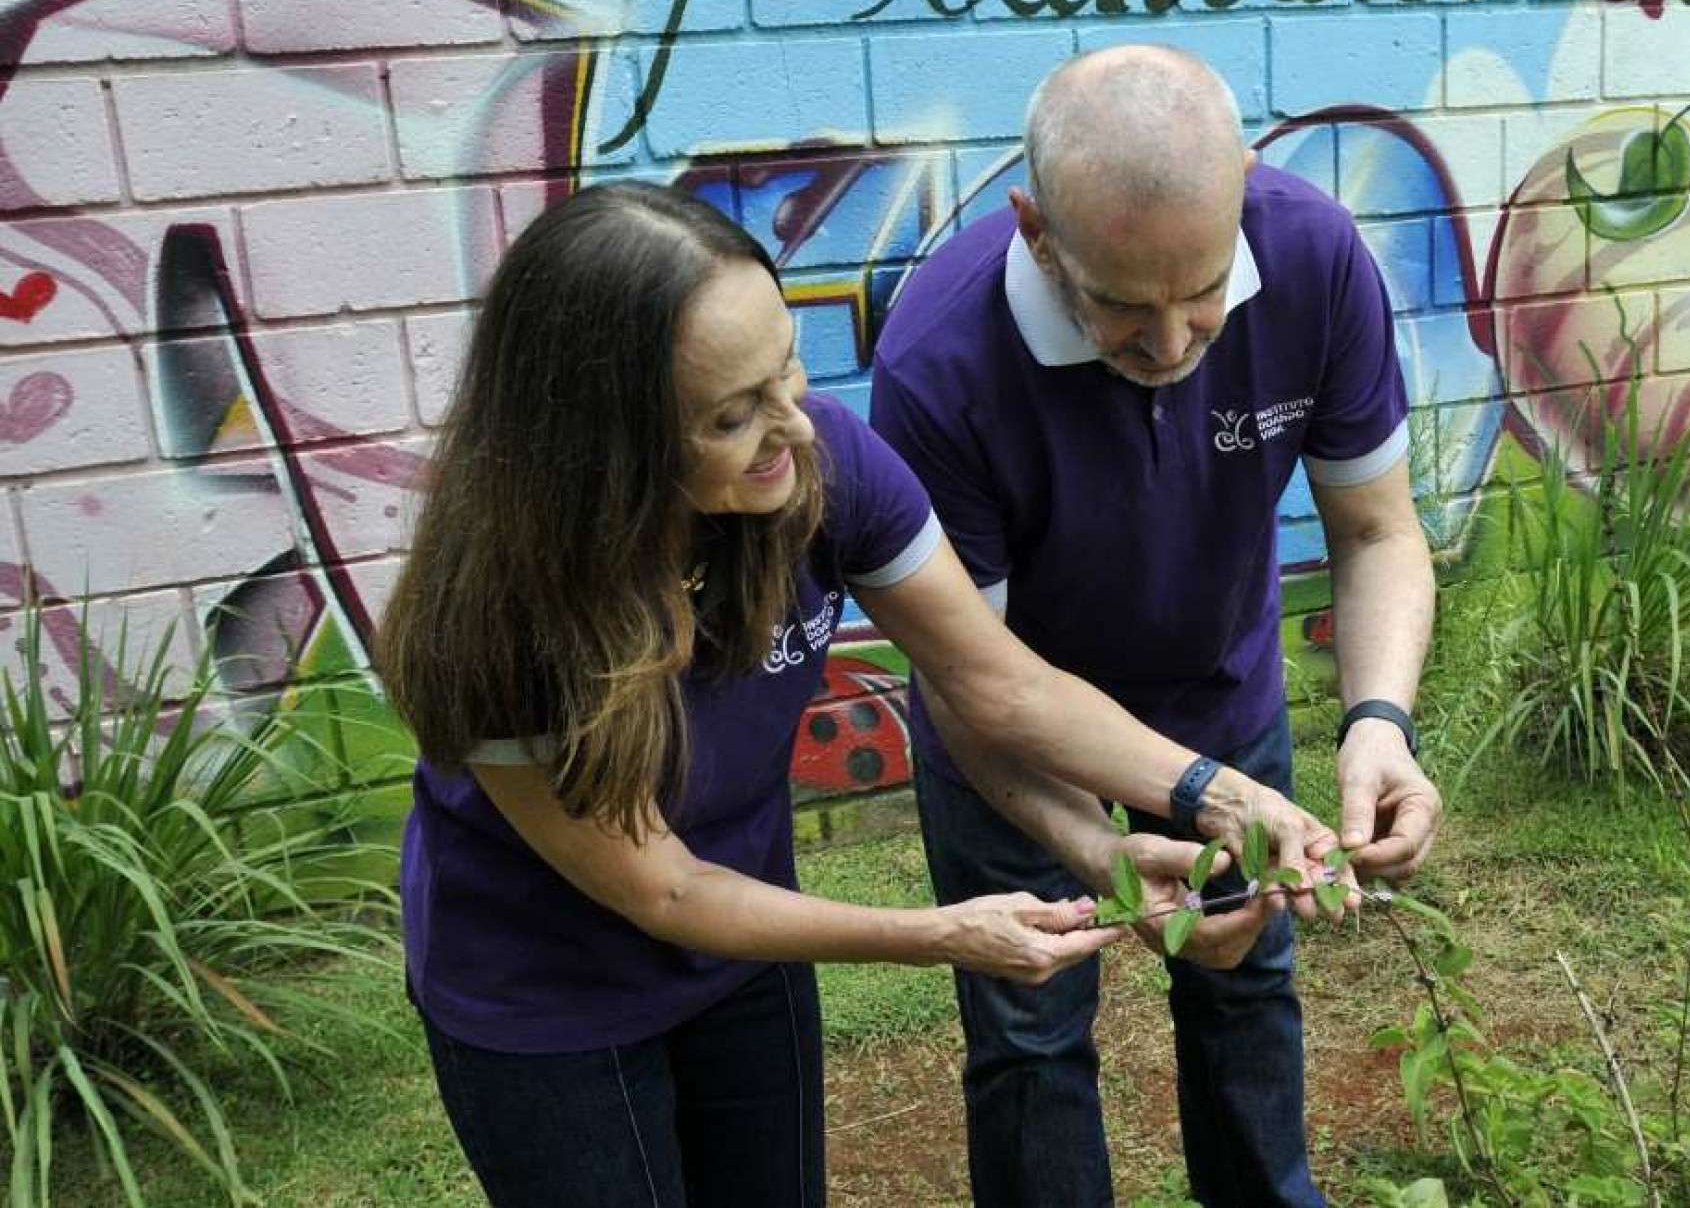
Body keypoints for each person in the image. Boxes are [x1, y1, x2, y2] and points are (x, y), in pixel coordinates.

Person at [378, 180, 1330, 1208]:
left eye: (783, 368)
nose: (788, 427)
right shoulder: (502, 617)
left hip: (741, 951)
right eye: (729, 415)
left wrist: (1216, 796)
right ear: (604, 442)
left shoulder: (817, 464)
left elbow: (996, 680)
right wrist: (942, 931)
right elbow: (667, 891)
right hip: (544, 998)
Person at [870, 44, 1445, 1207]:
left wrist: (1378, 720)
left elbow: (1378, 533)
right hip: (1013, 735)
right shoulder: (937, 362)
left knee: (1244, 985)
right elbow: (976, 686)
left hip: (1220, 692)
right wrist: (1095, 851)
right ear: (1036, 231)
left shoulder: (1314, 256)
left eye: (1202, 295)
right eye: (1124, 307)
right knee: (1029, 1025)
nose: (1174, 343)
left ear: (1240, 184)